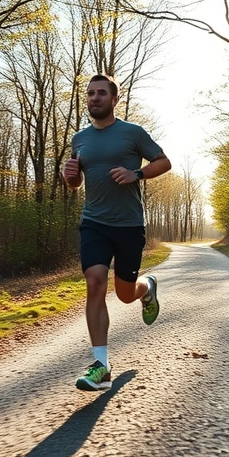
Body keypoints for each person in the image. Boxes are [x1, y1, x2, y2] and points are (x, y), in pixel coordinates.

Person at [63, 73, 172, 391]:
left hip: (128, 225)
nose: (94, 98)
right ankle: (101, 366)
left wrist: (135, 172)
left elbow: (163, 162)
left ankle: (146, 288)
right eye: (90, 94)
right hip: (93, 222)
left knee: (125, 293)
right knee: (95, 284)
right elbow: (76, 182)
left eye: (101, 93)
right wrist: (70, 176)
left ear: (114, 99)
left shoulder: (132, 133)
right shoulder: (79, 139)